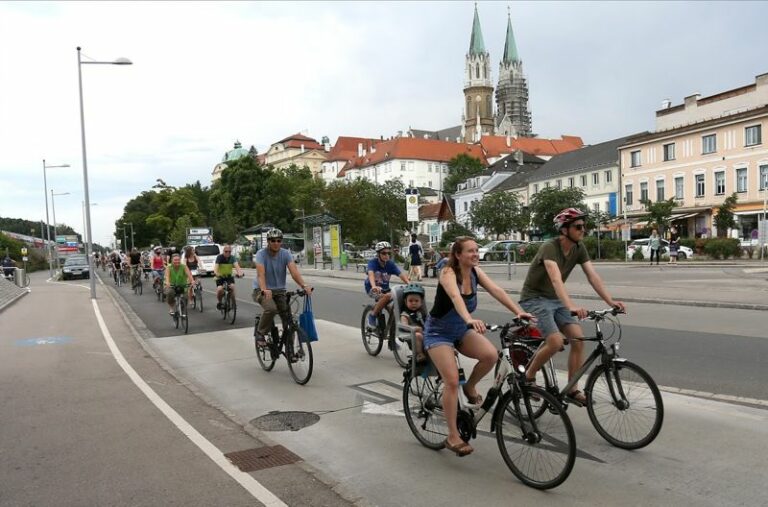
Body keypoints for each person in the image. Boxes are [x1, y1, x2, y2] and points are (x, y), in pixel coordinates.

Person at [424, 237, 534, 457]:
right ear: (457, 255)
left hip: (461, 330)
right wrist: (468, 319)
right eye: (470, 251)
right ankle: (453, 436)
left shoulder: (475, 272)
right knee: (452, 381)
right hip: (439, 333)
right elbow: (456, 298)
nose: (475, 254)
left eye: (476, 250)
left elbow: (497, 290)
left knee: (490, 355)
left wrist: (517, 311)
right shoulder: (447, 273)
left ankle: (470, 387)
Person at [519, 208, 626, 407]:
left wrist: (610, 302)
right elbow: (555, 278)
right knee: (555, 342)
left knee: (577, 340)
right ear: (564, 229)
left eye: (584, 227)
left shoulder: (578, 248)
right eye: (578, 227)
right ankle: (529, 375)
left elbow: (592, 276)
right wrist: (571, 307)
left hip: (555, 300)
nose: (583, 230)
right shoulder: (550, 247)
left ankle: (572, 389)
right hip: (534, 298)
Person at [252, 228, 313, 347]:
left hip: (279, 291)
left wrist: (304, 285)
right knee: (271, 309)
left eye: (278, 240)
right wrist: (264, 289)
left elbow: (294, 272)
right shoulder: (261, 254)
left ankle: (290, 350)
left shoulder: (286, 254)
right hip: (261, 290)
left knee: (289, 320)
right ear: (268, 242)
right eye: (273, 240)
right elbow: (261, 274)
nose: (276, 243)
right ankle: (260, 333)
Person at [364, 241, 411, 328]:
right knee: (387, 296)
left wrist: (409, 284)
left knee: (394, 310)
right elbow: (371, 274)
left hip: (385, 289)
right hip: (372, 288)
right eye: (383, 253)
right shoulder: (373, 263)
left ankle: (391, 335)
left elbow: (400, 274)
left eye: (388, 253)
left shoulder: (390, 264)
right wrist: (374, 286)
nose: (386, 255)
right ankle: (372, 316)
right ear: (378, 254)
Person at [399, 283, 427, 363]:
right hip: (412, 335)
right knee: (418, 335)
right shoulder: (405, 314)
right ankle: (419, 354)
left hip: (425, 333)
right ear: (405, 301)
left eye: (416, 301)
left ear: (421, 302)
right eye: (410, 301)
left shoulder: (422, 312)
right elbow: (404, 325)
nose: (413, 303)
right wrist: (414, 328)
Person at [215, 243, 244, 310]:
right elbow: (216, 268)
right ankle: (219, 302)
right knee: (220, 289)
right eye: (226, 251)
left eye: (229, 251)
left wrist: (240, 273)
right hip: (220, 277)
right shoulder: (219, 257)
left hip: (229, 276)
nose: (228, 253)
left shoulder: (232, 258)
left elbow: (237, 267)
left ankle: (233, 302)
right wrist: (216, 273)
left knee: (232, 287)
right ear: (223, 251)